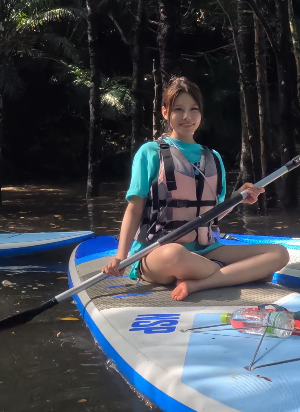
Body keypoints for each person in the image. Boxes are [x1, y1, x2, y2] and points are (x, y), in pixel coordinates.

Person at [103, 77, 288, 300]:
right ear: (165, 112)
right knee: (175, 253)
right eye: (178, 109)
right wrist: (121, 256)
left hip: (206, 250)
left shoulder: (213, 157)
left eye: (193, 109)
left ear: (201, 113)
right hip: (157, 252)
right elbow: (134, 209)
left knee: (279, 253)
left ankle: (199, 283)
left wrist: (238, 198)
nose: (187, 116)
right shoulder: (150, 152)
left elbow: (211, 214)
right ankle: (239, 273)